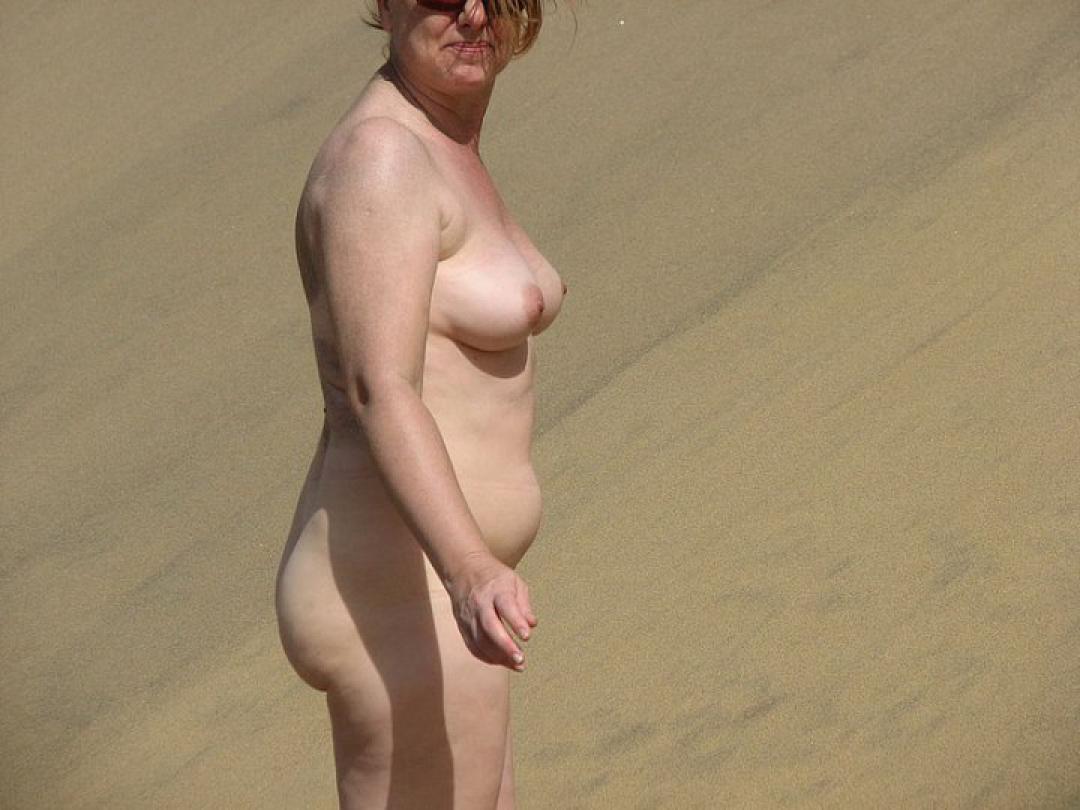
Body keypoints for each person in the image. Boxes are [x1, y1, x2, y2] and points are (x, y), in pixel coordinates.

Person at [274, 1, 566, 807]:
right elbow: (380, 385)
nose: (472, 12)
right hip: (406, 592)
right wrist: (469, 569)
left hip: (442, 593)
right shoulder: (382, 158)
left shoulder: (444, 143)